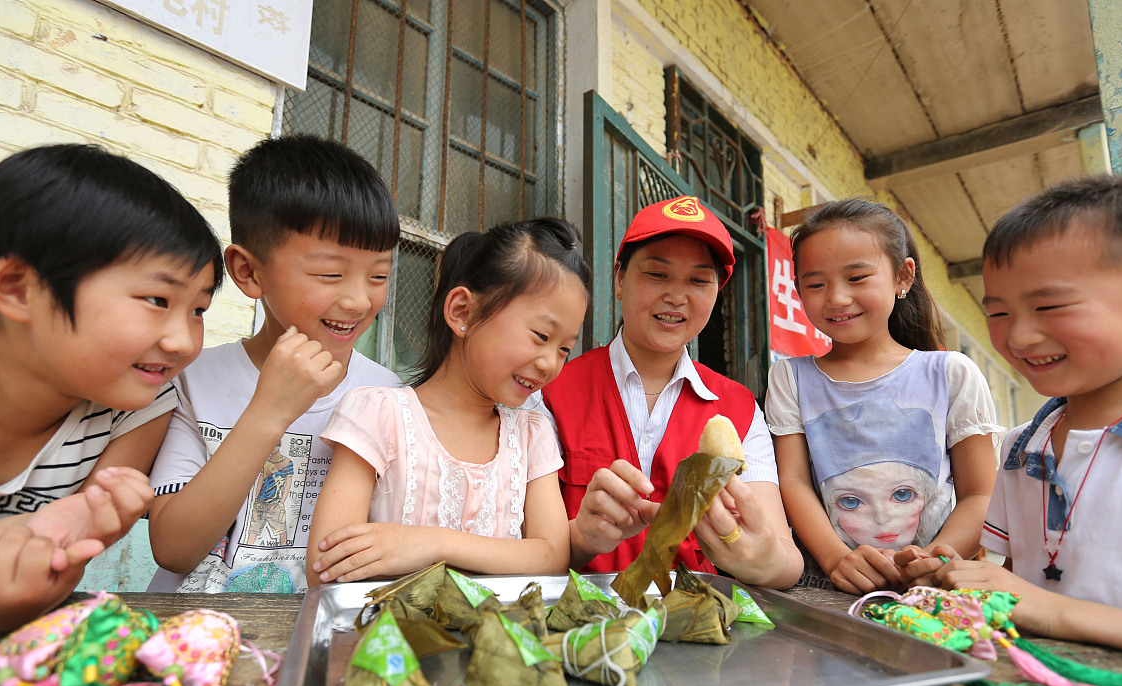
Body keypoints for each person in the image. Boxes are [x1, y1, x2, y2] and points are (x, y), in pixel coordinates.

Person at [0, 144, 222, 629]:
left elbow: (68, 545)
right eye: (157, 299)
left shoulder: (140, 403)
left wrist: (85, 535)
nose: (183, 341)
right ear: (17, 288)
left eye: (198, 310)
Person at [147, 135, 402, 593]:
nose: (360, 300)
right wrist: (270, 410)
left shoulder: (387, 396)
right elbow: (172, 549)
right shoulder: (193, 380)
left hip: (313, 642)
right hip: (189, 639)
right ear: (248, 272)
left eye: (379, 275)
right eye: (331, 274)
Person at [910, 175, 1122, 655]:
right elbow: (1023, 582)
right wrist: (964, 582)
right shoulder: (1023, 447)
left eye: (1050, 306)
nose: (1019, 337)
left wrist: (1046, 608)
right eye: (998, 314)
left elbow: (1038, 601)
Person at [538, 196, 802, 589]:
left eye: (698, 280)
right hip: (575, 627)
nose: (677, 297)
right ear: (618, 280)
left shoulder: (740, 410)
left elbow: (785, 560)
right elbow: (527, 542)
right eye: (657, 275)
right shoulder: (549, 389)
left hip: (693, 627)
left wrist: (763, 561)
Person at [307, 218, 590, 584]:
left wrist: (435, 545)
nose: (550, 363)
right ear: (462, 312)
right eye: (540, 335)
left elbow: (552, 555)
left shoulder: (531, 435)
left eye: (565, 348)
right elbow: (326, 565)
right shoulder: (380, 416)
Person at [765, 199, 1004, 595]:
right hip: (822, 588)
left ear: (902, 276)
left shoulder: (951, 374)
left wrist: (935, 562)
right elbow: (792, 481)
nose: (837, 298)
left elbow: (980, 493)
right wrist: (835, 559)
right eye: (816, 284)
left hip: (931, 590)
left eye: (857, 277)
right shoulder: (790, 377)